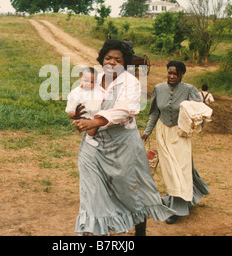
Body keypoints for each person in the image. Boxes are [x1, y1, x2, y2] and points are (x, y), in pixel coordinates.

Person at [70, 39, 176, 236]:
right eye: (108, 58)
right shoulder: (93, 80)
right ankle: (92, 231)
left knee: (130, 191)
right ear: (101, 59)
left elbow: (124, 110)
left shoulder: (131, 83)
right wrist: (78, 115)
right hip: (93, 144)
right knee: (91, 190)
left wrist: (95, 122)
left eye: (117, 60)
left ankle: (140, 228)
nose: (111, 62)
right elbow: (78, 99)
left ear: (125, 63)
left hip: (123, 145)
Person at [141, 61, 210, 225]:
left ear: (181, 75)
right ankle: (177, 206)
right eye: (169, 73)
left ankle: (182, 201)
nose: (172, 76)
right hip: (163, 132)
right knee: (171, 171)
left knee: (182, 169)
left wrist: (193, 127)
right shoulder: (159, 89)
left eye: (175, 74)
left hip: (181, 134)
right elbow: (154, 113)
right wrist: (146, 132)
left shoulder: (189, 90)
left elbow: (200, 112)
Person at [65, 67, 102, 147]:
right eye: (86, 81)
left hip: (97, 110)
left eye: (92, 82)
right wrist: (72, 112)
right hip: (87, 114)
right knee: (92, 124)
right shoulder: (76, 93)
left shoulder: (96, 89)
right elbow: (72, 103)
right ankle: (89, 138)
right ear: (80, 80)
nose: (89, 83)